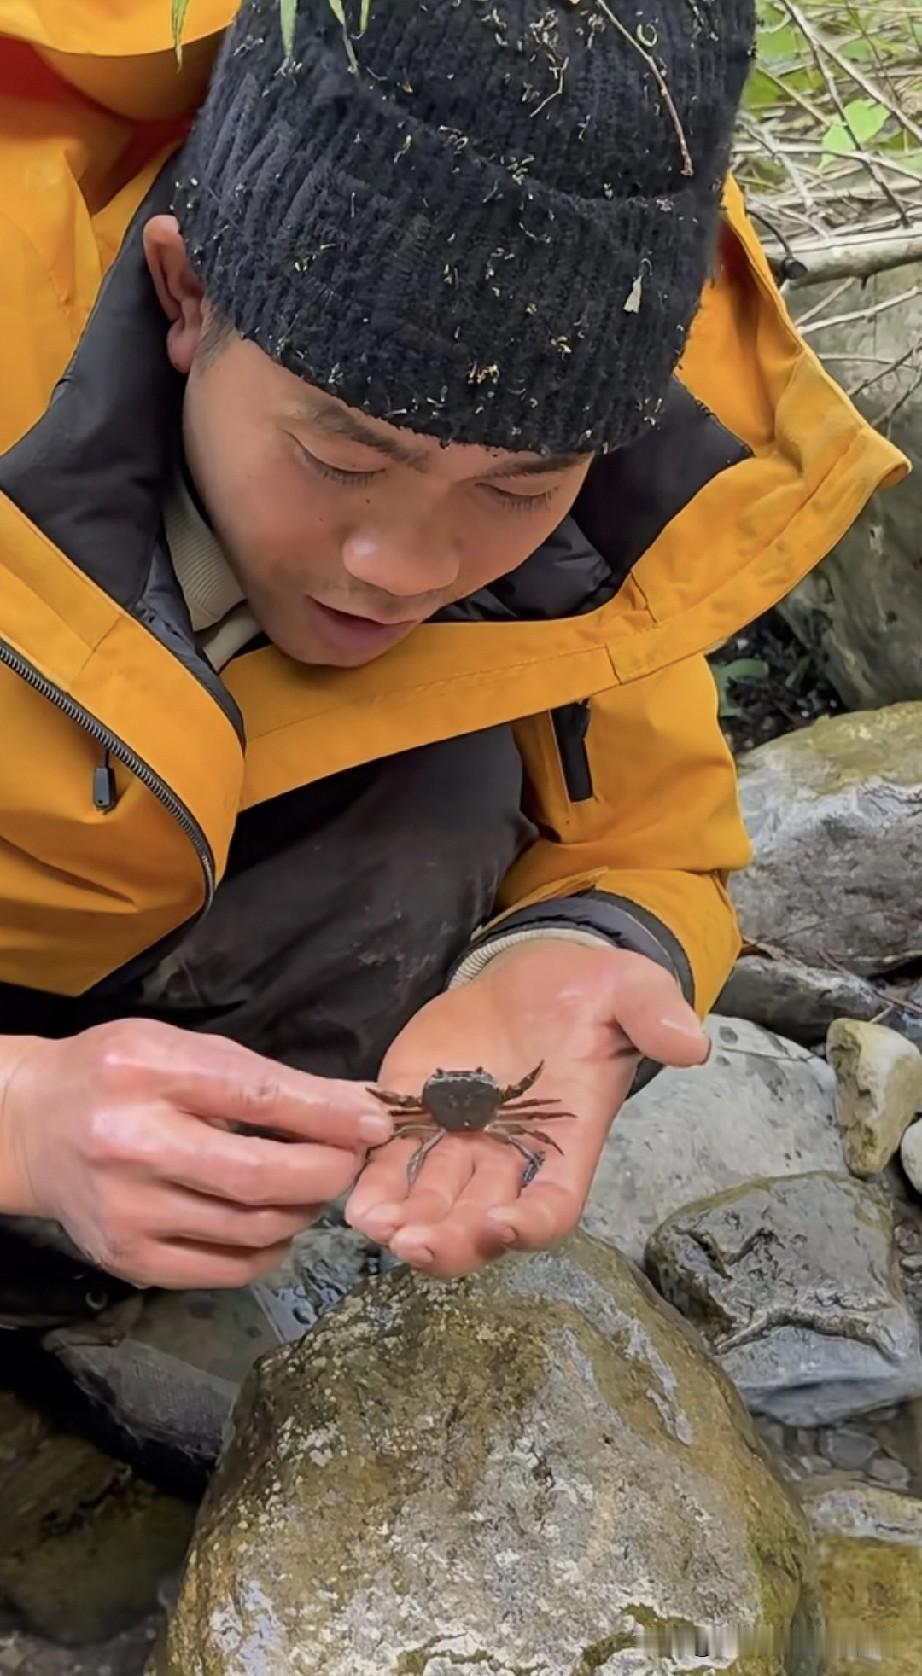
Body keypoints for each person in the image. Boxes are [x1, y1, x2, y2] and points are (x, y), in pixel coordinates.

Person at [0, 0, 904, 1294]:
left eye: (514, 491)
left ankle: (158, 1244)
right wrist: (22, 1113)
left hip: (177, 1010)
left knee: (454, 775)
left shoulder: (615, 455)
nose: (405, 566)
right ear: (183, 291)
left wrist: (566, 956)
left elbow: (645, 840)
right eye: (340, 457)